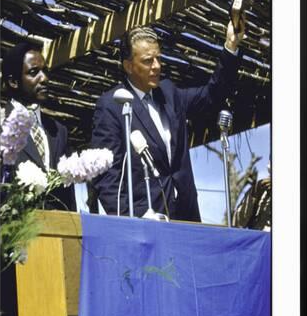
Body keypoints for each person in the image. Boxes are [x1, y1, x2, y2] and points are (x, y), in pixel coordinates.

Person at [91, 19, 244, 222]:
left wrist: (231, 46)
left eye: (158, 59)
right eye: (147, 61)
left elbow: (212, 95)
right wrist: (132, 218)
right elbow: (107, 178)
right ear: (128, 66)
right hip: (146, 224)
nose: (156, 66)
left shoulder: (170, 94)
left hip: (187, 218)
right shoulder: (113, 105)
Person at [1, 42, 74, 211]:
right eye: (34, 72)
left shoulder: (59, 131)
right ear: (13, 81)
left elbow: (68, 199)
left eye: (45, 71)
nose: (44, 78)